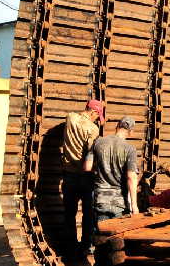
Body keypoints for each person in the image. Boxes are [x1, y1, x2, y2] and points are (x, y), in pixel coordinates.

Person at [61, 99, 105, 258]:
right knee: (88, 213)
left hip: (68, 174)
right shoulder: (92, 129)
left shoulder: (70, 118)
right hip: (85, 176)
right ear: (93, 112)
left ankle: (70, 246)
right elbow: (90, 153)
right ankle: (86, 246)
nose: (97, 120)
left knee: (69, 213)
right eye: (97, 116)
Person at [85, 116, 138, 222]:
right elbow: (131, 178)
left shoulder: (98, 142)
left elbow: (87, 167)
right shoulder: (129, 149)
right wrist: (134, 206)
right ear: (131, 131)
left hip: (101, 200)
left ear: (117, 126)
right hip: (120, 204)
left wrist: (102, 168)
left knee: (100, 236)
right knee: (117, 236)